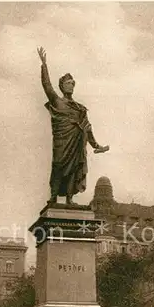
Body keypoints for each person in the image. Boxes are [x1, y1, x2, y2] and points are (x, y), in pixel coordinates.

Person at [37, 47, 109, 205]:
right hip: (62, 142)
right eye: (68, 83)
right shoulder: (57, 101)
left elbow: (87, 128)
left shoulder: (80, 108)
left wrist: (97, 146)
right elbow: (46, 86)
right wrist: (44, 65)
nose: (71, 86)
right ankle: (54, 197)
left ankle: (69, 198)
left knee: (73, 169)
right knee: (58, 166)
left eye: (72, 84)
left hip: (76, 144)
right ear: (62, 86)